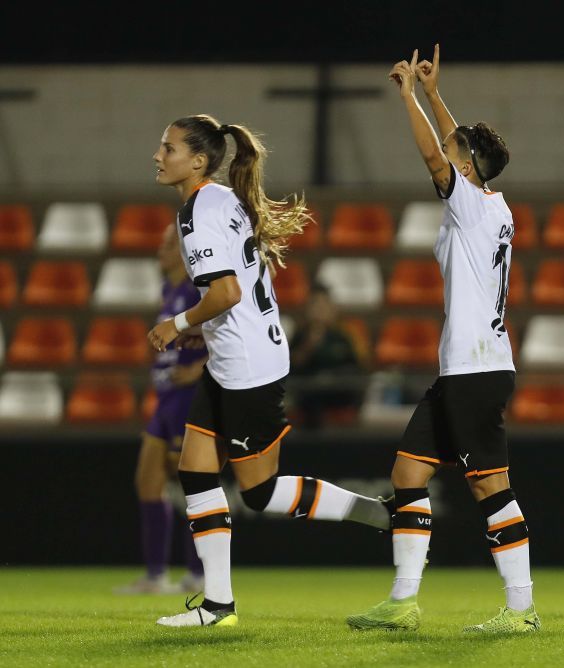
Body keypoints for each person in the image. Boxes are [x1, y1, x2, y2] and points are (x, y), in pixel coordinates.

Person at [148, 114, 390, 627]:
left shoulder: (197, 212)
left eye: (168, 148)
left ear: (197, 161)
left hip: (247, 370)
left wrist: (179, 323)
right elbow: (235, 292)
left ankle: (370, 510)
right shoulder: (222, 199)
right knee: (194, 470)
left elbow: (226, 292)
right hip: (238, 357)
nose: (158, 155)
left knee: (258, 492)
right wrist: (204, 330)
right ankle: (217, 605)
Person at [346, 46, 539, 634]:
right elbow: (454, 144)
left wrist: (406, 95)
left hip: (475, 368)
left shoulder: (470, 205)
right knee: (408, 472)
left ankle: (521, 609)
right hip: (465, 368)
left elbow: (435, 153)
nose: (448, 150)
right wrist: (433, 93)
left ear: (469, 166)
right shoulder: (486, 205)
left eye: (459, 152)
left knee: (490, 487)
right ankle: (403, 601)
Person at [117, 224, 206, 595]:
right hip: (166, 398)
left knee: (191, 486)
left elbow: (225, 335)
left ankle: (198, 574)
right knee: (147, 481)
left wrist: (200, 367)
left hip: (188, 401)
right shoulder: (169, 290)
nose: (161, 249)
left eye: (169, 243)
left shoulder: (195, 292)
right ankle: (156, 576)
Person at [287, 283, 363, 429]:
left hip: (338, 392)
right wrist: (309, 345)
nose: (320, 310)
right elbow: (291, 368)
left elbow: (358, 368)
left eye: (324, 305)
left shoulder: (345, 335)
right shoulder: (300, 335)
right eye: (316, 305)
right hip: (309, 397)